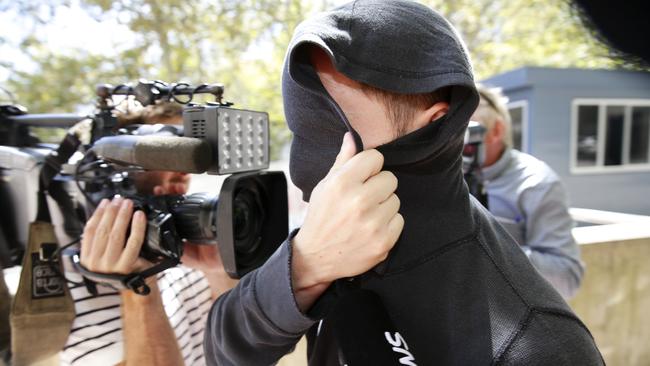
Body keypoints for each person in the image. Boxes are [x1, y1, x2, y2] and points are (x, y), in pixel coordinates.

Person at [202, 1, 604, 365]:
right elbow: (224, 351)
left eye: (329, 125)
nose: (308, 158)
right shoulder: (332, 234)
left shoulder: (539, 345)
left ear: (433, 125)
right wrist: (304, 267)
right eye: (301, 129)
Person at [60, 102, 237, 365]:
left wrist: (218, 271)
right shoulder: (80, 288)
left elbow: (241, 354)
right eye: (170, 151)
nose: (186, 167)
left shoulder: (192, 253)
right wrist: (138, 288)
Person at [471, 85, 584, 299]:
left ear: (495, 131)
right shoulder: (441, 176)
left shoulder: (537, 184)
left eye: (466, 132)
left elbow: (567, 277)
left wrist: (490, 249)